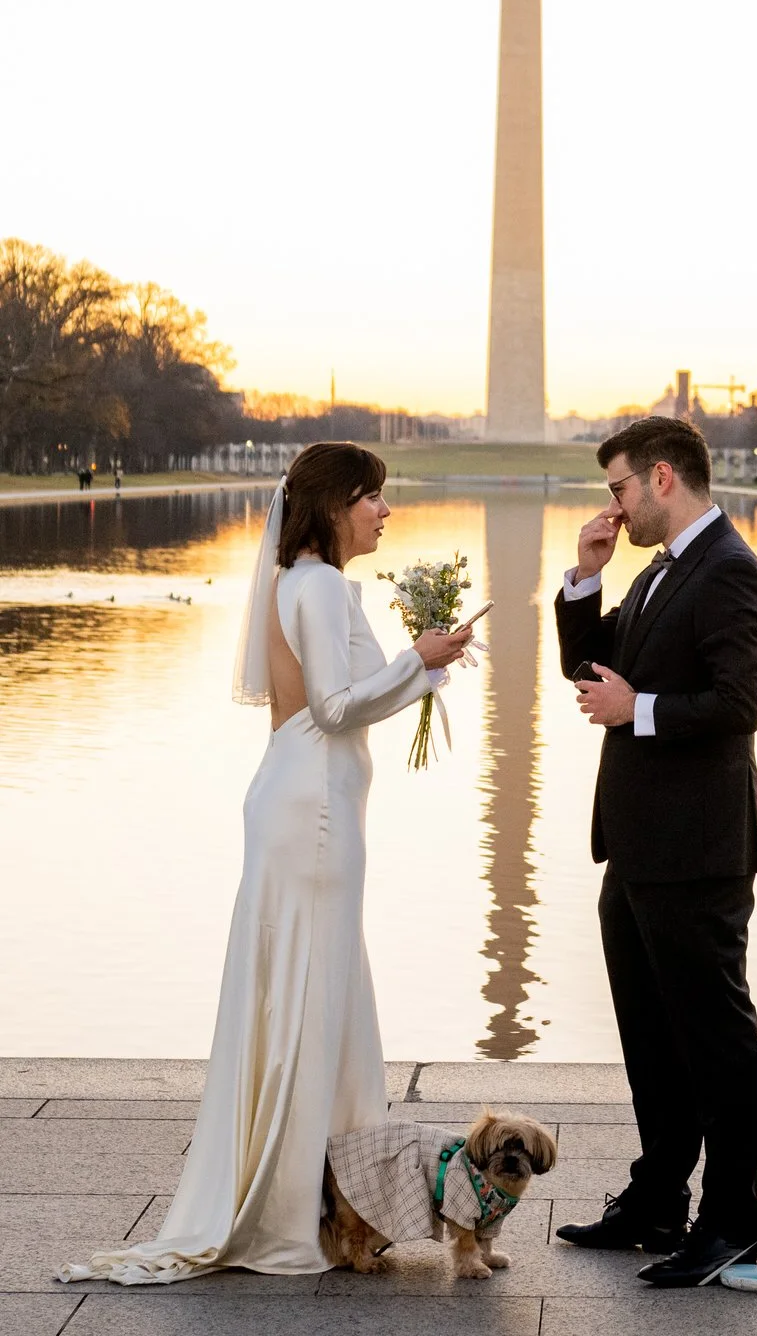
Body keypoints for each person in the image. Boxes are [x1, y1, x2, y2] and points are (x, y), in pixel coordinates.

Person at [59, 443, 473, 1283]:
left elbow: (339, 703)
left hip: (307, 798)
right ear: (332, 505)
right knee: (312, 998)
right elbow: (331, 706)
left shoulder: (308, 584)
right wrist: (417, 662)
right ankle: (301, 1208)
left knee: (309, 991)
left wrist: (419, 669)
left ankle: (332, 1197)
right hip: (314, 810)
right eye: (374, 498)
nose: (385, 512)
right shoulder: (317, 585)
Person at [553, 417, 757, 1291]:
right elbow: (589, 672)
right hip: (638, 848)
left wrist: (636, 711)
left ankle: (731, 1225)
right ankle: (657, 1201)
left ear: (660, 478)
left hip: (697, 850)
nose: (612, 506)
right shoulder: (659, 569)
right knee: (651, 1036)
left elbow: (737, 702)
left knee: (715, 1038)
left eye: (616, 489)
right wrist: (583, 579)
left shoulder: (728, 571)